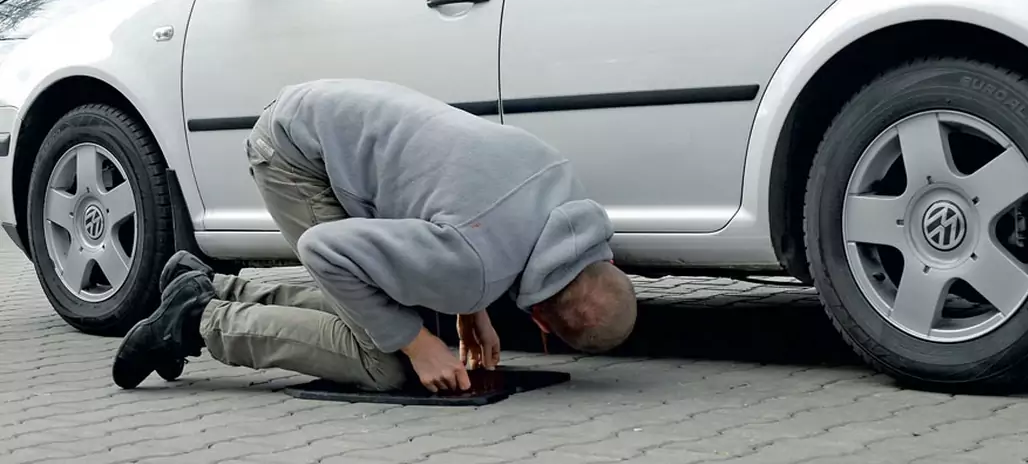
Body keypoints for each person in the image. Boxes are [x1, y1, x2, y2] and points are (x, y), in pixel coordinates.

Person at [112, 79, 638, 393]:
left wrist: (467, 309)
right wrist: (420, 345)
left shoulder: (564, 189)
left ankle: (212, 288)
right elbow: (326, 252)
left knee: (395, 315)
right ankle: (197, 320)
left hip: (324, 118)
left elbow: (473, 220)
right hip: (295, 156)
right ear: (541, 322)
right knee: (384, 362)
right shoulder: (473, 266)